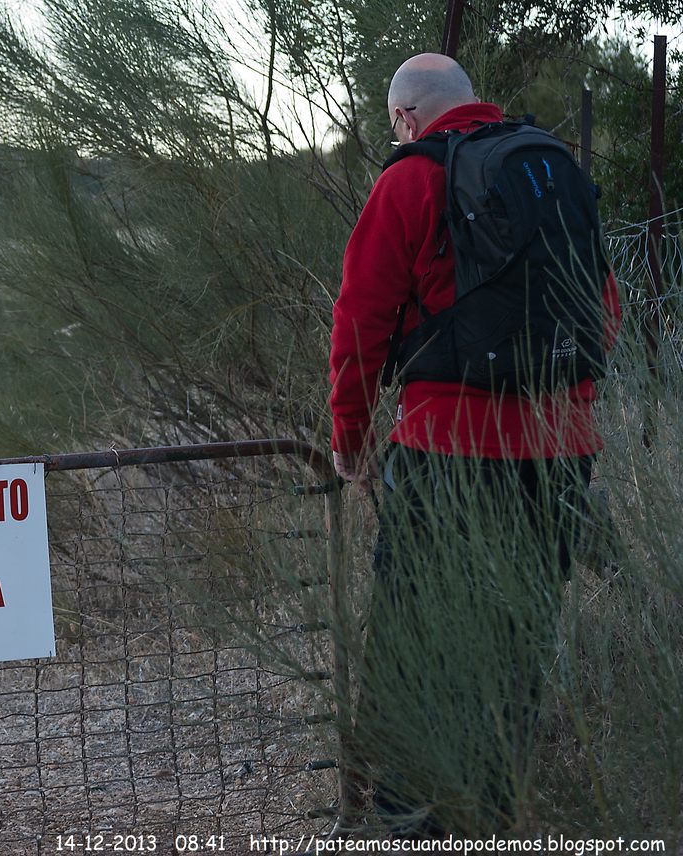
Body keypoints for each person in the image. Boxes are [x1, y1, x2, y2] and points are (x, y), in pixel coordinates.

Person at [327, 53, 621, 834]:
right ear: (473, 102)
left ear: (405, 117)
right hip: (562, 447)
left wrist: (349, 443)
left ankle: (415, 808)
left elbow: (358, 323)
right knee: (520, 624)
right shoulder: (549, 168)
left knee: (420, 625)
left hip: (448, 449)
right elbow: (605, 305)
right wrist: (569, 409)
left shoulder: (410, 179)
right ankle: (497, 802)